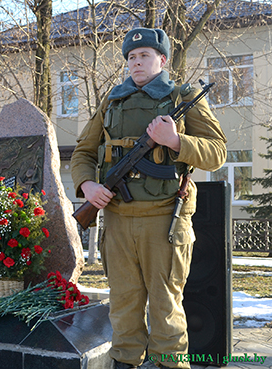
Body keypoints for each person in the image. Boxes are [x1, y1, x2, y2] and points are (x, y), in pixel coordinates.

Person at [71, 28, 227, 369]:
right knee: (123, 308)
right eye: (131, 57)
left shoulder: (182, 97)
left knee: (165, 309)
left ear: (163, 60)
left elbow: (217, 152)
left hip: (164, 223)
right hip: (118, 221)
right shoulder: (112, 101)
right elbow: (83, 152)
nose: (136, 62)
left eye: (144, 55)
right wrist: (87, 186)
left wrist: (175, 141)